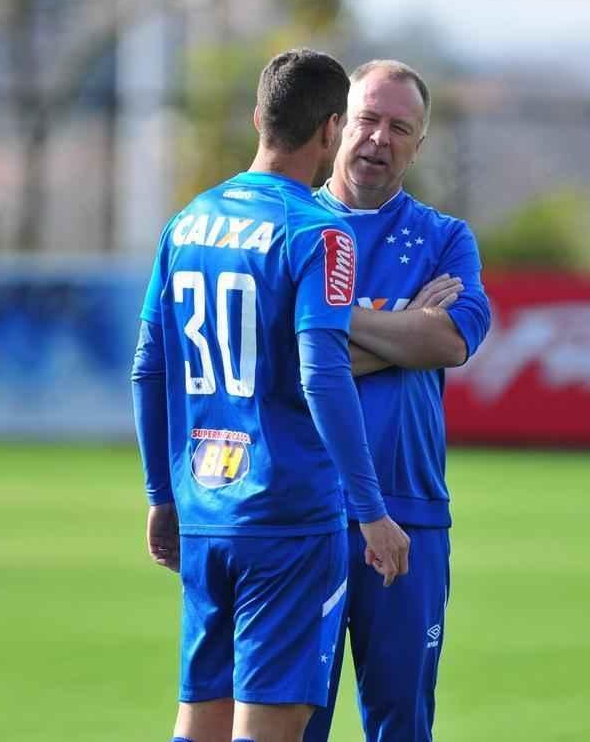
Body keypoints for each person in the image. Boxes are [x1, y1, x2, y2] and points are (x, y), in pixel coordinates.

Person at [130, 48, 411, 742]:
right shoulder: (319, 232)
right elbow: (323, 372)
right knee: (266, 730)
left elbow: (148, 368)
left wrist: (161, 495)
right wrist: (371, 510)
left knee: (199, 724)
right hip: (287, 517)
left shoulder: (187, 222)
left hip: (204, 510)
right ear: (330, 131)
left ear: (260, 118)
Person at [303, 60, 492, 742]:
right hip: (302, 517)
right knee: (290, 723)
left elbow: (446, 341)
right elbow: (278, 365)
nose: (379, 138)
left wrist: (321, 325)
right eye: (367, 120)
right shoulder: (290, 225)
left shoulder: (444, 238)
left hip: (410, 512)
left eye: (399, 127)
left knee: (402, 725)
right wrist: (400, 325)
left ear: (419, 143)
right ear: (336, 127)